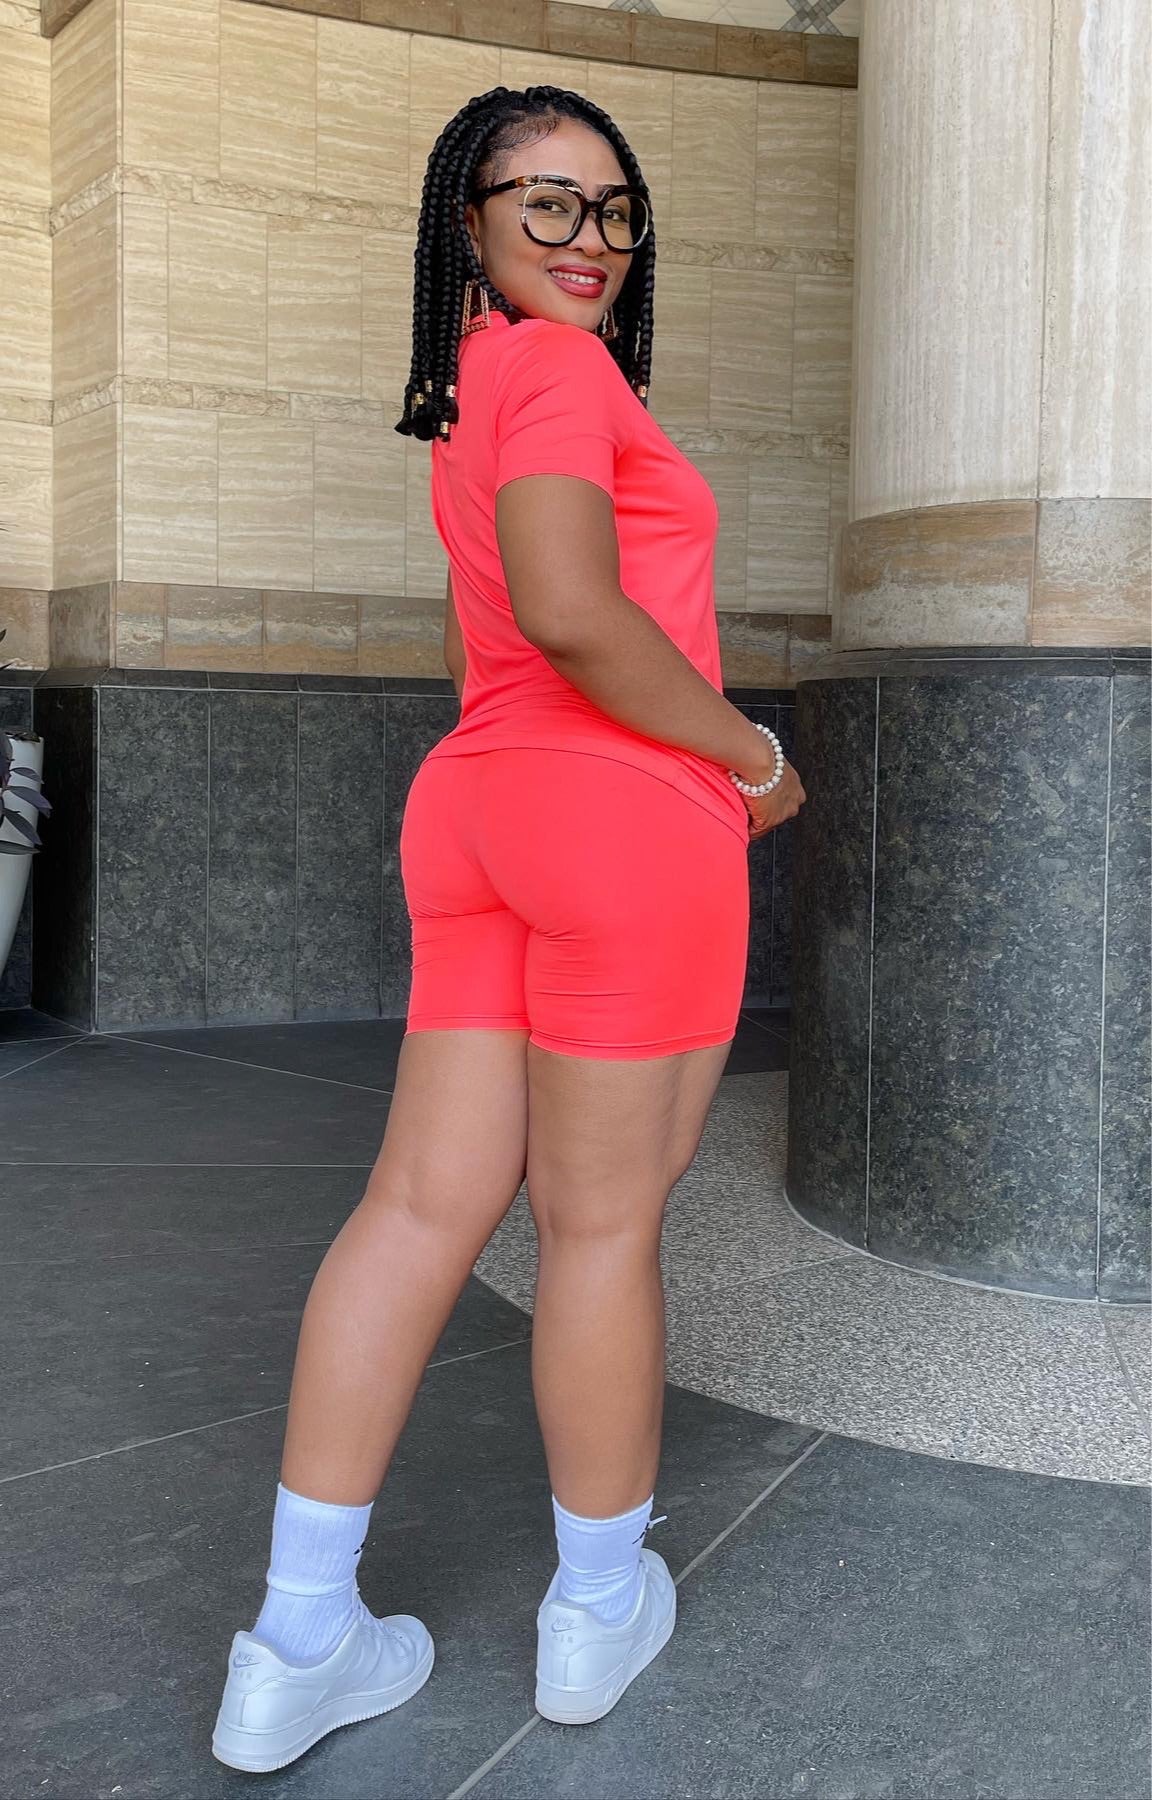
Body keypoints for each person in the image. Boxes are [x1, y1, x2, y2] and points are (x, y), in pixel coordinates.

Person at [211, 84, 806, 1773]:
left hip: (476, 808)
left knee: (415, 1208)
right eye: (543, 200)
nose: (587, 236)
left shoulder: (471, 382)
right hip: (620, 819)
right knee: (599, 1229)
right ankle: (596, 1612)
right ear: (464, 223)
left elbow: (502, 629)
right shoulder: (556, 369)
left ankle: (295, 1643)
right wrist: (755, 759)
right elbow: (568, 608)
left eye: (611, 206)